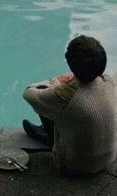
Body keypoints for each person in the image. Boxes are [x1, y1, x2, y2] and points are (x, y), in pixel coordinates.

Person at [23, 35, 116, 176]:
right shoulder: (108, 82)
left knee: (46, 98)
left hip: (74, 167)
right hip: (108, 159)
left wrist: (56, 82)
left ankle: (50, 139)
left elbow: (28, 93)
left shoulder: (65, 95)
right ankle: (49, 133)